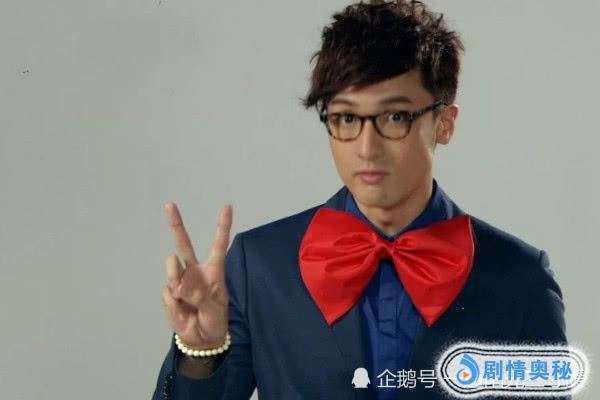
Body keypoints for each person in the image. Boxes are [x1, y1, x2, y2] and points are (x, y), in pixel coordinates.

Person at [151, 1, 569, 399]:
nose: (367, 148)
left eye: (395, 117)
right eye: (347, 118)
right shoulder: (258, 266)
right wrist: (199, 353)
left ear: (444, 124)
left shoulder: (520, 279)